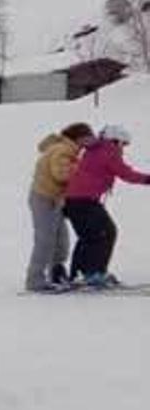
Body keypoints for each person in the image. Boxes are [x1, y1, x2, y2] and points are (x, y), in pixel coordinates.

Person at [62, 125, 150, 286]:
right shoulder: (108, 151)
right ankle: (94, 273)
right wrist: (147, 179)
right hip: (84, 201)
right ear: (115, 140)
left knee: (90, 236)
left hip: (76, 201)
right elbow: (125, 173)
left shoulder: (95, 149)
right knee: (104, 233)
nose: (123, 148)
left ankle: (79, 273)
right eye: (123, 144)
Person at [25, 123, 94, 291]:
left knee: (60, 239)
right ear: (79, 138)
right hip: (44, 198)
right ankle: (35, 280)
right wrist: (82, 170)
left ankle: (56, 271)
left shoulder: (65, 149)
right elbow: (60, 173)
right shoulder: (63, 150)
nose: (91, 141)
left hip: (54, 199)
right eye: (88, 137)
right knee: (45, 240)